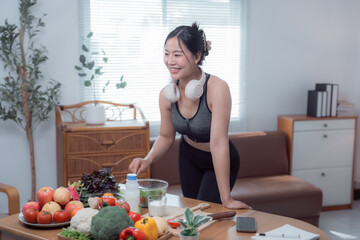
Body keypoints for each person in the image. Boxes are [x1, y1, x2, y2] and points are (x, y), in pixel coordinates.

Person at [129, 22, 250, 209]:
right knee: (192, 215)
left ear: (197, 56)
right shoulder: (167, 94)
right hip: (188, 157)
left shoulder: (217, 89)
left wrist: (227, 199)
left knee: (206, 212)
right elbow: (166, 136)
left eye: (177, 55)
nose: (170, 61)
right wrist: (148, 159)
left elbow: (218, 144)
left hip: (218, 158)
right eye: (167, 54)